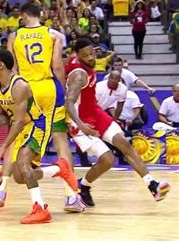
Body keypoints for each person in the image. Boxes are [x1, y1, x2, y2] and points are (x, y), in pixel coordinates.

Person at [0, 3, 82, 211]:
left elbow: (12, 67)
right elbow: (57, 66)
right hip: (48, 88)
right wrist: (64, 93)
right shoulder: (53, 34)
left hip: (24, 87)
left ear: (22, 15)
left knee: (15, 134)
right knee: (60, 139)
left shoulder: (15, 36)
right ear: (41, 15)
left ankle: (1, 191)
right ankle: (71, 196)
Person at [65, 38, 170, 207]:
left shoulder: (81, 62)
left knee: (124, 144)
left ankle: (152, 185)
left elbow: (61, 62)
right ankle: (83, 186)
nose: (90, 58)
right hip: (80, 121)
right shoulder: (79, 75)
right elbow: (69, 103)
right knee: (108, 160)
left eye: (92, 53)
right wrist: (82, 126)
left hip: (95, 112)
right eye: (85, 55)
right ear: (78, 56)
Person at [0, 50, 78, 224]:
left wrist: (2, 147)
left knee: (24, 164)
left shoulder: (20, 86)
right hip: (24, 126)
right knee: (20, 176)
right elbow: (8, 115)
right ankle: (60, 169)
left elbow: (18, 122)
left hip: (37, 125)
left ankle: (40, 209)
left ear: (1, 65)